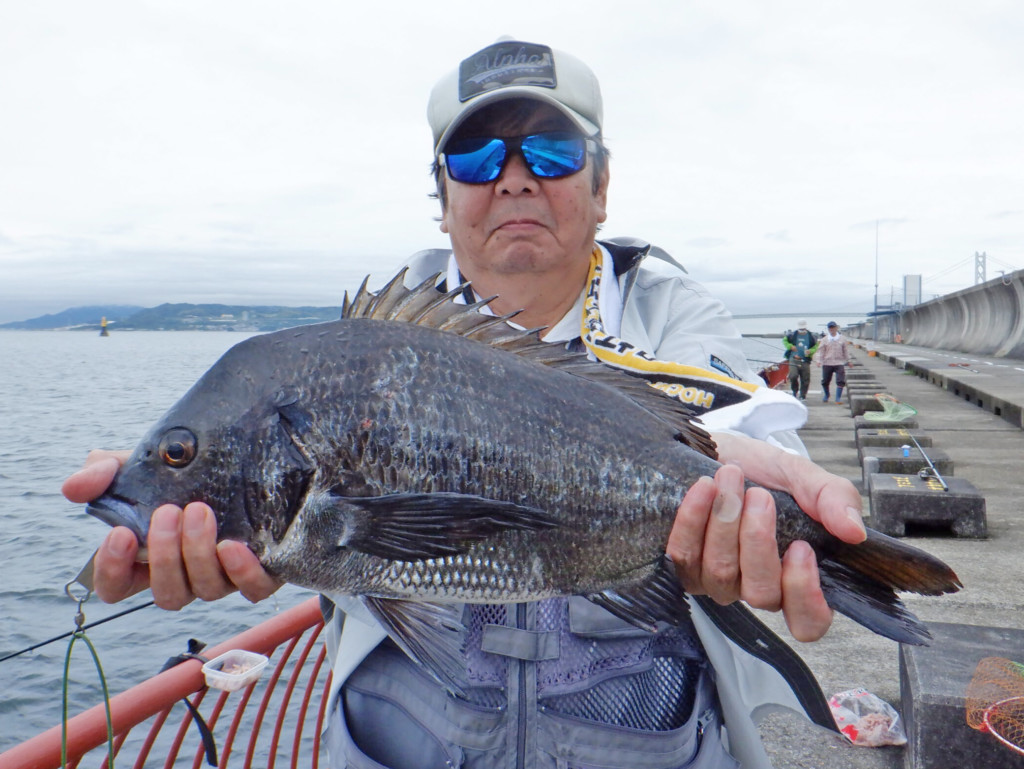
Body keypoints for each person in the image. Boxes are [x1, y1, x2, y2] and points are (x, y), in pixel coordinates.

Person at [63, 39, 868, 769]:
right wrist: (172, 500)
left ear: (601, 188)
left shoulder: (672, 312)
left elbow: (741, 424)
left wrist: (765, 504)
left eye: (551, 151)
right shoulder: (371, 345)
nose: (514, 177)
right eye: (476, 157)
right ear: (443, 198)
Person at [782, 320, 818, 400]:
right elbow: (784, 341)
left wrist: (810, 351)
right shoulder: (792, 335)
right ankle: (795, 391)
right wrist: (790, 346)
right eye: (800, 329)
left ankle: (803, 394)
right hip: (793, 359)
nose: (802, 331)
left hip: (805, 360)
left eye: (803, 329)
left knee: (805, 378)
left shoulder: (811, 336)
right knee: (793, 376)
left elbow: (815, 347)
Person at [818, 321, 850, 403]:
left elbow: (845, 351)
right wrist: (819, 361)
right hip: (827, 363)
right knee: (825, 381)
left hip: (839, 362)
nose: (831, 329)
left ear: (836, 328)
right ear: (828, 329)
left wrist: (848, 360)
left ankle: (838, 398)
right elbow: (821, 351)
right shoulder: (824, 339)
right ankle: (827, 394)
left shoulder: (842, 339)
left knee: (840, 380)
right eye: (830, 328)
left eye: (833, 327)